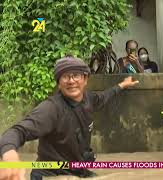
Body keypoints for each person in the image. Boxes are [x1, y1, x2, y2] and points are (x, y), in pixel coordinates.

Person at [0, 56, 139, 179]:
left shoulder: (88, 99)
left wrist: (123, 85)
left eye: (76, 75)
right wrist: (9, 154)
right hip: (51, 174)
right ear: (59, 83)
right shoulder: (51, 109)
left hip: (78, 170)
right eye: (65, 77)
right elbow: (17, 131)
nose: (71, 81)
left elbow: (104, 97)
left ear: (85, 79)